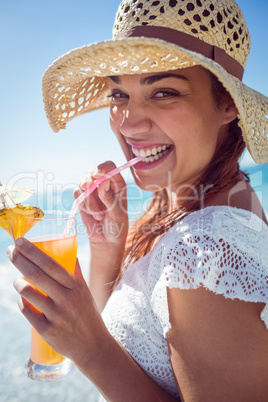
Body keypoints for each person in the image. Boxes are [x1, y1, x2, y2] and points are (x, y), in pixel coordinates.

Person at [7, 0, 268, 400]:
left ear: (228, 104)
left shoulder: (204, 250)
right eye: (118, 93)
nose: (129, 123)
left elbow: (104, 348)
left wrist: (92, 351)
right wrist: (108, 248)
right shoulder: (183, 205)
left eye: (163, 92)